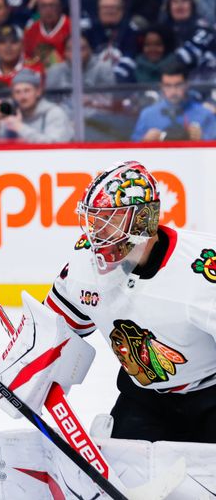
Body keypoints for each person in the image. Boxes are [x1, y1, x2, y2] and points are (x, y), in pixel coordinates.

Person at [44, 160, 216, 443]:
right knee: (125, 473)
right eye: (93, 219)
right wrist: (28, 371)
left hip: (211, 397)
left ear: (143, 219)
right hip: (145, 398)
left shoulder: (203, 270)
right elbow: (52, 332)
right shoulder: (83, 264)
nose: (97, 232)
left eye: (109, 220)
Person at [131, 63, 216, 141]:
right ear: (161, 86)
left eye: (178, 85)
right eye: (168, 85)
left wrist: (203, 138)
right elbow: (131, 149)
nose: (173, 91)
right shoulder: (147, 115)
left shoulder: (205, 114)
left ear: (187, 85)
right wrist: (144, 141)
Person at [0, 68, 73, 142]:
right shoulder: (12, 114)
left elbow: (55, 145)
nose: (22, 96)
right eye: (17, 92)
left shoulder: (54, 113)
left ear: (38, 91)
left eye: (27, 91)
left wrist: (20, 127)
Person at [0, 25, 43, 90]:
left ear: (22, 45)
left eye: (13, 42)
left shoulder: (34, 68)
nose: (8, 47)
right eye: (2, 42)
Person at [23, 0, 70, 68]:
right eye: (43, 6)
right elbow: (27, 59)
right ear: (38, 9)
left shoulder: (71, 28)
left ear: (60, 7)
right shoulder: (31, 30)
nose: (48, 10)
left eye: (52, 5)